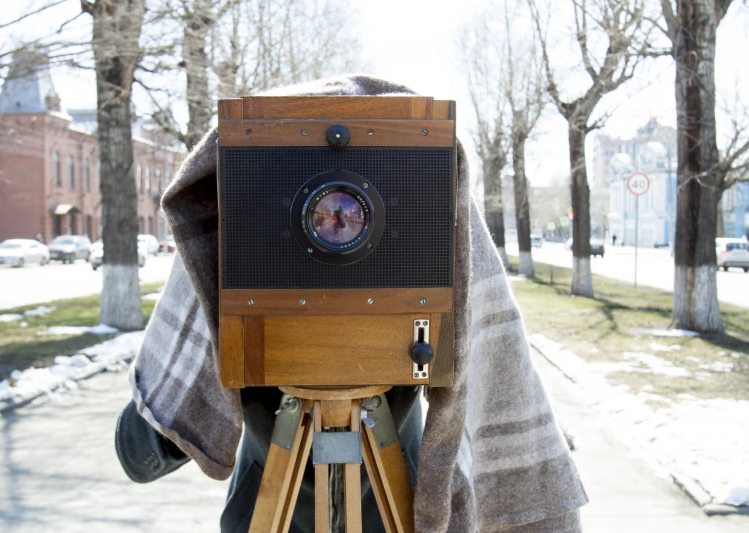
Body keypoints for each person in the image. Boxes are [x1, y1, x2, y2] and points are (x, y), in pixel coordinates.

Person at [115, 76, 587, 533]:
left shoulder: (242, 253)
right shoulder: (422, 256)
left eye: (351, 217)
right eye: (321, 218)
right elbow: (141, 454)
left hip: (272, 509)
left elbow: (141, 454)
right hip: (393, 509)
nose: (336, 228)